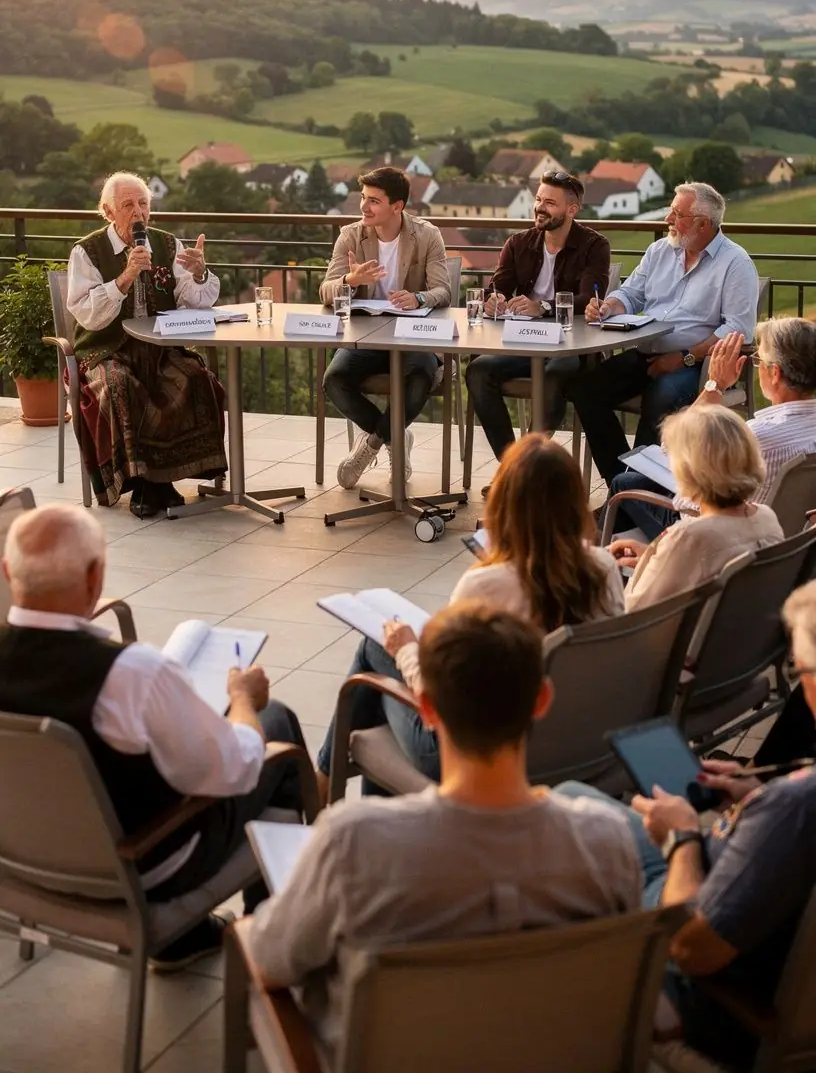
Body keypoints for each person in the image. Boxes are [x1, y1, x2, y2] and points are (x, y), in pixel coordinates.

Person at [248, 603, 641, 1060]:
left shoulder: (355, 842)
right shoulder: (609, 842)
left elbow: (270, 961)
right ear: (542, 700)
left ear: (428, 710)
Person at [0, 504, 308, 969]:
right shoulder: (131, 673)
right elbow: (235, 770)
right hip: (139, 870)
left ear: (6, 572)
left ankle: (192, 939)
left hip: (17, 867)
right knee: (277, 731)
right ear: (95, 577)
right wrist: (242, 700)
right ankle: (266, 946)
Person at [555, 579, 816, 1067]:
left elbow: (692, 950)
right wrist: (753, 793)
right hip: (739, 885)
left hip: (699, 981)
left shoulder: (794, 810)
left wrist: (681, 839)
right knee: (571, 801)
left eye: (801, 671)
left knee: (566, 825)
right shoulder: (789, 804)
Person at [314, 435, 624, 797]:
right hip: (579, 738)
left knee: (377, 651)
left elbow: (439, 690)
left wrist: (406, 650)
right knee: (383, 689)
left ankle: (322, 785)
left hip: (472, 749)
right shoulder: (603, 568)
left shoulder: (486, 585)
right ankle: (330, 786)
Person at [563, 181, 758, 486]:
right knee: (584, 390)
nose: (667, 219)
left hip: (697, 365)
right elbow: (631, 292)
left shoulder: (736, 264)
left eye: (676, 214)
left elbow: (737, 330)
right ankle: (625, 487)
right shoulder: (660, 251)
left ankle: (636, 492)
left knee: (661, 398)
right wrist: (608, 306)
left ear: (703, 223)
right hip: (646, 352)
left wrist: (684, 358)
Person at [67, 171, 227, 518]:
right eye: (127, 205)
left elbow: (195, 301)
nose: (138, 212)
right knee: (122, 386)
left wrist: (199, 274)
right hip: (107, 348)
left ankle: (163, 480)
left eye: (143, 203)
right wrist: (124, 277)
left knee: (195, 377)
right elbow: (86, 314)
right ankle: (145, 483)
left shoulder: (168, 244)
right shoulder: (88, 251)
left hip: (159, 346)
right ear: (109, 212)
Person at [606, 318, 816, 542]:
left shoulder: (756, 437)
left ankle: (618, 565)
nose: (757, 368)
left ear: (774, 373)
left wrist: (715, 384)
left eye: (759, 360)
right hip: (783, 545)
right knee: (635, 482)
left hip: (713, 539)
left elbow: (673, 446)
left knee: (623, 484)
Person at [320, 166, 451, 489]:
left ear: (397, 206)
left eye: (374, 201)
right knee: (334, 380)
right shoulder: (350, 235)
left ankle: (370, 446)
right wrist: (350, 281)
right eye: (363, 198)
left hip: (414, 337)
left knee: (420, 377)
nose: (364, 207)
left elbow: (443, 291)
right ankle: (395, 437)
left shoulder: (427, 235)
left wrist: (418, 297)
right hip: (366, 337)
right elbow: (325, 291)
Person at [465, 171, 611, 462]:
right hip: (526, 343)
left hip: (572, 347)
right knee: (478, 371)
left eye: (550, 203)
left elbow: (586, 300)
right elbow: (496, 288)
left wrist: (542, 307)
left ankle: (524, 466)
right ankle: (513, 467)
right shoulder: (518, 243)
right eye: (538, 200)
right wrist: (494, 300)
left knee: (554, 376)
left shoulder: (595, 246)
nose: (540, 208)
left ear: (572, 209)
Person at [610, 404, 783, 614]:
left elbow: (631, 617)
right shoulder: (767, 519)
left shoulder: (689, 538)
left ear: (688, 472)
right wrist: (654, 559)